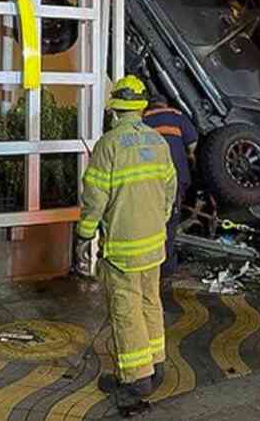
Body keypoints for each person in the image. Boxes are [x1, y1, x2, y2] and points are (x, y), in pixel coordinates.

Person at [75, 75, 177, 415]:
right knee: (150, 303)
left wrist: (84, 235)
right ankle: (156, 365)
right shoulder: (158, 143)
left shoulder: (109, 145)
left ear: (115, 110)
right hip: (154, 245)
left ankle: (135, 381)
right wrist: (156, 222)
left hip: (123, 249)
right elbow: (169, 192)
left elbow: (94, 199)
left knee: (126, 312)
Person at [142, 94, 198, 277]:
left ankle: (149, 263)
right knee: (170, 222)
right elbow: (193, 144)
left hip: (151, 179)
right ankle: (166, 267)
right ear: (165, 103)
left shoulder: (143, 119)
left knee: (151, 219)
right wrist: (190, 158)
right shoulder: (176, 115)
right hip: (176, 176)